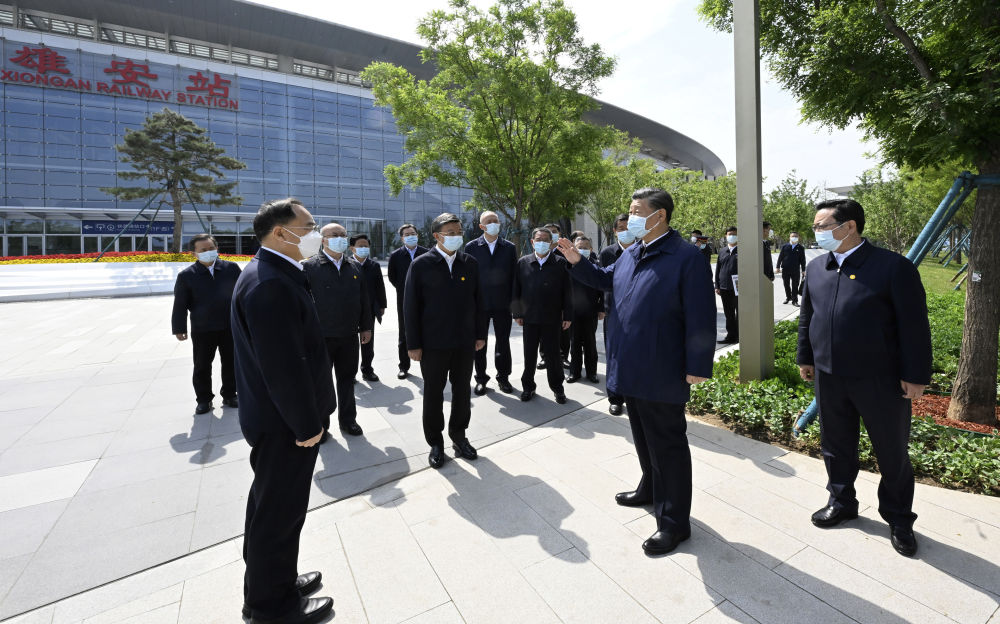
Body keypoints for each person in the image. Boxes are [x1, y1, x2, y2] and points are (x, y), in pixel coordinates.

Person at [557, 188, 716, 556]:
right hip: (630, 364)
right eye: (629, 211)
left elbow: (701, 315)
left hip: (663, 368)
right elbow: (603, 278)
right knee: (643, 437)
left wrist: (697, 365)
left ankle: (675, 523)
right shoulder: (634, 252)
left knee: (668, 446)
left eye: (636, 212)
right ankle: (650, 488)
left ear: (659, 215)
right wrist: (576, 260)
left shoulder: (685, 257)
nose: (629, 219)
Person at [797, 198, 931, 558]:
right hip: (829, 376)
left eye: (823, 226)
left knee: (891, 451)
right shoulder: (817, 268)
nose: (817, 232)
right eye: (816, 227)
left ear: (850, 226)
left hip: (880, 380)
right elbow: (807, 317)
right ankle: (842, 502)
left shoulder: (892, 268)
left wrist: (915, 375)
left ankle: (899, 517)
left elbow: (914, 327)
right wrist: (805, 358)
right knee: (835, 445)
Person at [231, 198, 334, 624]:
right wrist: (307, 424)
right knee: (278, 514)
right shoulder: (269, 282)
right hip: (286, 424)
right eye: (308, 226)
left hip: (275, 419)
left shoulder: (269, 272)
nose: (316, 233)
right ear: (280, 233)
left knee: (272, 509)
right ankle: (270, 609)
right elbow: (283, 366)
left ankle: (272, 583)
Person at [404, 213, 487, 469]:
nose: (456, 236)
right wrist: (413, 344)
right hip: (433, 344)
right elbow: (410, 307)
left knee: (462, 391)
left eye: (459, 231)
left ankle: (459, 436)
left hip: (464, 343)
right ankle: (435, 442)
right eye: (450, 232)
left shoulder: (469, 263)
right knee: (433, 394)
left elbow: (479, 302)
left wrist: (480, 334)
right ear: (437, 236)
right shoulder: (420, 265)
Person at [303, 223, 372, 439]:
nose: (340, 238)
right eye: (335, 235)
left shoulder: (355, 267)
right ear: (323, 239)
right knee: (321, 384)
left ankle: (348, 420)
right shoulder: (309, 267)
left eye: (343, 235)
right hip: (321, 337)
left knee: (346, 380)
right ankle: (321, 425)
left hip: (349, 335)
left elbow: (364, 300)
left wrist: (366, 326)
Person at [171, 233, 242, 414]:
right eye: (203, 250)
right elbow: (180, 304)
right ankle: (203, 399)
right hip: (203, 329)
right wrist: (179, 328)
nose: (208, 252)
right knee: (202, 365)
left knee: (231, 362)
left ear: (217, 249)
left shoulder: (231, 269)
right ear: (194, 254)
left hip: (229, 326)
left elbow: (242, 296)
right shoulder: (187, 276)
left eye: (211, 249)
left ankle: (230, 394)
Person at [512, 227, 573, 404]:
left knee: (554, 356)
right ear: (532, 242)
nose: (542, 243)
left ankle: (558, 389)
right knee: (529, 355)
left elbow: (567, 292)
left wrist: (567, 315)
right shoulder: (523, 262)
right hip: (529, 319)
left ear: (551, 242)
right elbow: (516, 289)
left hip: (552, 319)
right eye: (538, 239)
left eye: (546, 240)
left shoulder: (560, 263)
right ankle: (528, 387)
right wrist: (517, 313)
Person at [464, 211, 517, 395]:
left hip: (503, 304)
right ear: (481, 226)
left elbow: (514, 278)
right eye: (489, 221)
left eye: (496, 221)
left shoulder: (509, 247)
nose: (494, 223)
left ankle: (503, 378)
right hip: (480, 305)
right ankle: (480, 379)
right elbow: (467, 277)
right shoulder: (471, 247)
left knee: (503, 343)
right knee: (479, 343)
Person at [598, 213, 634, 415]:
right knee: (614, 356)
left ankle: (634, 393)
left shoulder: (644, 250)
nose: (625, 231)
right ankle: (615, 397)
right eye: (621, 228)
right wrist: (601, 307)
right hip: (614, 312)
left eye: (628, 227)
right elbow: (600, 282)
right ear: (614, 231)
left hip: (638, 313)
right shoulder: (608, 253)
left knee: (635, 355)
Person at [388, 224, 428, 380]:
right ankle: (403, 366)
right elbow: (392, 277)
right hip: (404, 299)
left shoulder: (426, 253)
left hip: (425, 299)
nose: (410, 236)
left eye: (413, 233)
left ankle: (426, 365)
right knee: (404, 332)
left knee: (425, 331)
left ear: (417, 235)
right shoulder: (396, 255)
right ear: (402, 237)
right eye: (407, 234)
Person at [350, 233, 387, 383]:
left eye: (366, 246)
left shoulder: (374, 265)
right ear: (352, 248)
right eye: (360, 246)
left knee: (368, 342)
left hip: (369, 309)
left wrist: (382, 305)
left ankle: (367, 369)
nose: (364, 248)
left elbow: (380, 286)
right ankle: (350, 373)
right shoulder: (347, 264)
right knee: (351, 344)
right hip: (351, 310)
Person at [566, 236, 603, 384]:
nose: (582, 249)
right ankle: (574, 372)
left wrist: (601, 308)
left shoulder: (595, 266)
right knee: (574, 343)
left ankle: (591, 373)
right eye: (579, 246)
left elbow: (602, 289)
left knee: (590, 343)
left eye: (586, 247)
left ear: (591, 249)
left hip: (590, 311)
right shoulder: (568, 266)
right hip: (573, 311)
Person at [540, 222, 570, 369]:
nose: (552, 233)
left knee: (563, 331)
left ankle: (563, 356)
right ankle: (544, 357)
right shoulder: (539, 253)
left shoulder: (563, 253)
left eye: (554, 231)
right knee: (542, 331)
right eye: (549, 231)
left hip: (559, 302)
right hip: (542, 302)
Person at [715, 226, 739, 344]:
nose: (732, 236)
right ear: (726, 236)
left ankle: (739, 336)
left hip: (738, 289)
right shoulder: (722, 251)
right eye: (730, 234)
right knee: (729, 314)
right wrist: (717, 286)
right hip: (724, 288)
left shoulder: (742, 251)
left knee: (739, 313)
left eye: (734, 234)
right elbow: (718, 269)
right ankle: (730, 336)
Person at [776, 231, 807, 306]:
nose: (794, 238)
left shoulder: (801, 248)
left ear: (798, 238)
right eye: (792, 236)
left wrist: (803, 270)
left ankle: (794, 300)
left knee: (795, 285)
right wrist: (777, 267)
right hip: (785, 269)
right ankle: (788, 297)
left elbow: (803, 260)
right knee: (786, 284)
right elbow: (780, 257)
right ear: (789, 237)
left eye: (796, 236)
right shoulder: (785, 246)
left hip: (795, 270)